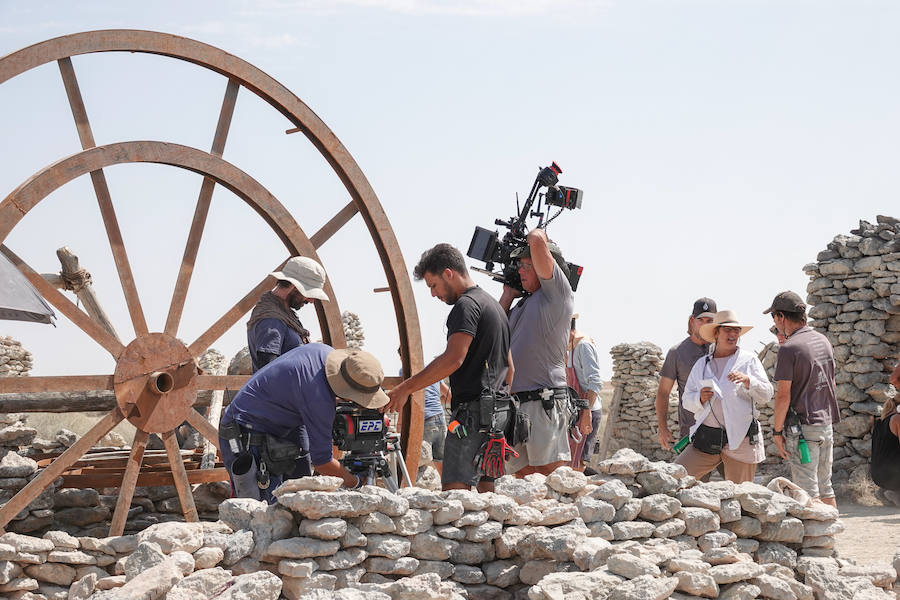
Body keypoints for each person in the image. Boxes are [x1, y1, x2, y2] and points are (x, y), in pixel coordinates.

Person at [385, 243, 513, 491]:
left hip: (471, 417)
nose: (433, 294)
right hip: (498, 415)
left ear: (449, 273)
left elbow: (453, 358)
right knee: (488, 496)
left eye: (433, 285)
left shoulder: (466, 306)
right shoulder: (495, 307)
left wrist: (404, 389)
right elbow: (510, 368)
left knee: (455, 497)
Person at [219, 344, 387, 503]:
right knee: (261, 514)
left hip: (273, 427)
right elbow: (323, 461)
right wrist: (356, 482)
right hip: (245, 436)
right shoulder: (318, 397)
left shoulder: (323, 353)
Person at [500, 229, 584, 477]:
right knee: (522, 477)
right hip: (518, 404)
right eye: (520, 266)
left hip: (543, 401)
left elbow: (536, 240)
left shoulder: (558, 294)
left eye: (527, 265)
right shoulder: (522, 305)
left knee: (551, 475)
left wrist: (537, 233)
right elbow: (494, 330)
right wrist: (507, 295)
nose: (520, 270)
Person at [675, 310, 771, 483]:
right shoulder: (702, 365)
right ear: (716, 333)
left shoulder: (749, 360)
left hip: (740, 441)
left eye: (736, 330)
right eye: (727, 329)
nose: (733, 334)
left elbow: (767, 394)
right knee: (674, 479)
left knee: (743, 498)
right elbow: (687, 400)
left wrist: (749, 381)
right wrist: (700, 398)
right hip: (706, 440)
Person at [766, 290, 840, 508]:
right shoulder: (823, 341)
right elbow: (831, 384)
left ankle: (818, 541)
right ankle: (831, 537)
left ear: (781, 317)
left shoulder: (789, 349)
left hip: (802, 430)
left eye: (774, 318)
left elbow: (783, 395)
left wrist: (777, 432)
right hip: (825, 425)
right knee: (826, 487)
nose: (775, 323)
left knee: (807, 493)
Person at [246, 256, 329, 372]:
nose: (311, 301)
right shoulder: (271, 320)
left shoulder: (285, 315)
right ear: (293, 286)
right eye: (309, 294)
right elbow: (268, 373)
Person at [656, 298, 718, 450]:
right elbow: (663, 392)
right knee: (693, 475)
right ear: (692, 320)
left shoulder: (722, 349)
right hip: (692, 434)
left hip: (724, 433)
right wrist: (662, 428)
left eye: (709, 320)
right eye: (700, 320)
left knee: (734, 475)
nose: (704, 324)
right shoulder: (677, 353)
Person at [398, 347, 451, 475]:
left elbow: (405, 398)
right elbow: (449, 396)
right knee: (440, 459)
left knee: (415, 460)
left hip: (423, 418)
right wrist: (434, 399)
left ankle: (409, 489)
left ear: (402, 358)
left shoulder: (404, 371)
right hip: (439, 417)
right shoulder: (432, 370)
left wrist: (400, 424)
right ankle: (448, 489)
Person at [566, 315, 603, 471]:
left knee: (578, 463)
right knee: (569, 461)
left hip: (588, 412)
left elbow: (595, 381)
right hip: (575, 413)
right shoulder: (570, 348)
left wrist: (586, 414)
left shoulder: (584, 345)